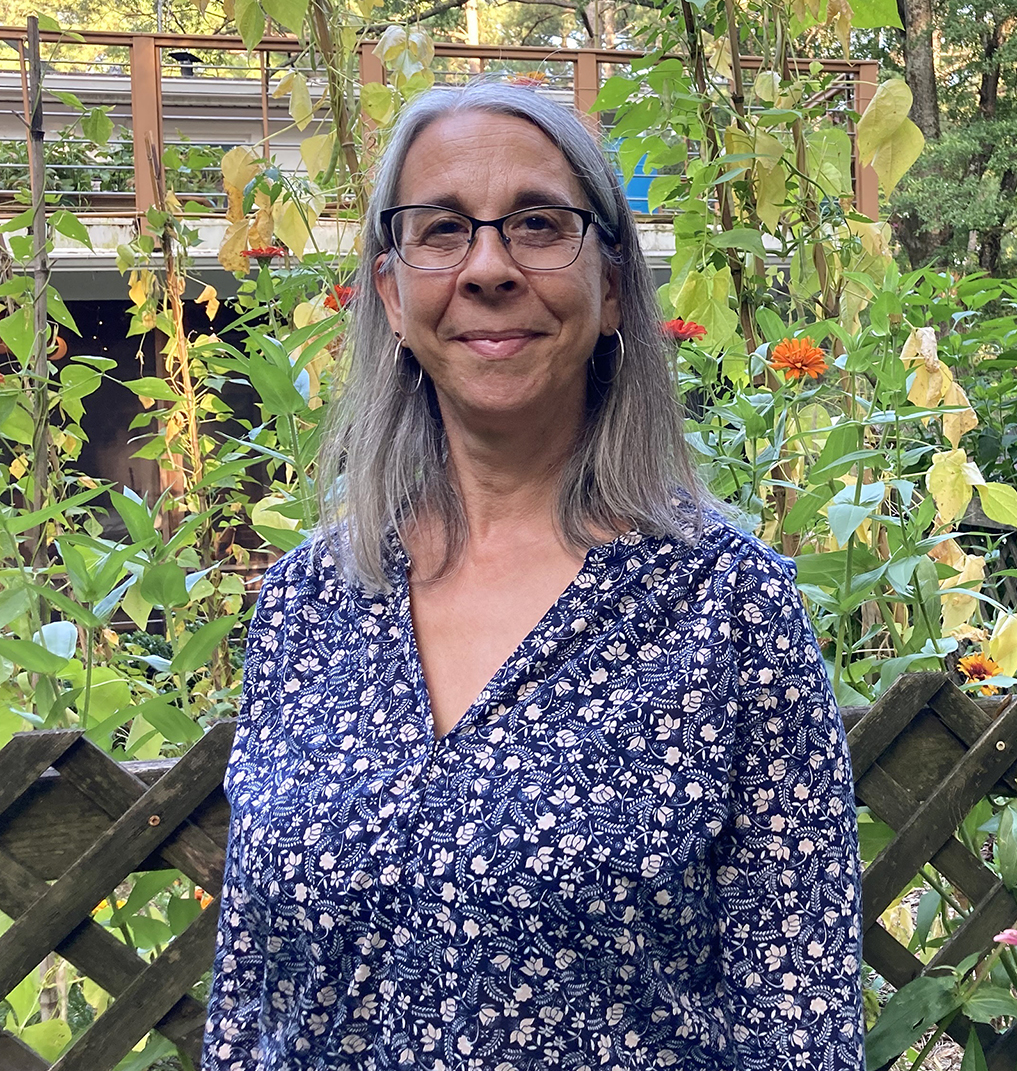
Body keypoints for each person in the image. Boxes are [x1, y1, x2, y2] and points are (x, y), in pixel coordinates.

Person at [200, 79, 864, 1070]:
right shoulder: (308, 602)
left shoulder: (726, 607)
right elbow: (251, 995)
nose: (488, 268)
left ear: (610, 287)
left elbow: (799, 1016)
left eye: (538, 225)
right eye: (442, 231)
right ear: (390, 290)